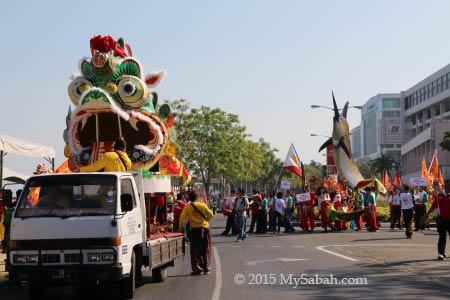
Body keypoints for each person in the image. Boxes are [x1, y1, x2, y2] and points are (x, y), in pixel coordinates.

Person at [179, 191, 213, 275]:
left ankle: (197, 269)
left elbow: (182, 219)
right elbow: (211, 215)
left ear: (189, 198)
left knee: (195, 250)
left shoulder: (187, 207)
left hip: (194, 230)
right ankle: (206, 267)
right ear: (197, 198)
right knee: (206, 248)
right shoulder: (202, 205)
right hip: (205, 229)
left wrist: (181, 229)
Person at [426, 181, 450, 260]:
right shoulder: (439, 196)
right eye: (447, 184)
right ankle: (441, 254)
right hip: (441, 220)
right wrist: (427, 215)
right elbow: (434, 206)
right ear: (444, 186)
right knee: (442, 237)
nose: (448, 186)